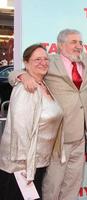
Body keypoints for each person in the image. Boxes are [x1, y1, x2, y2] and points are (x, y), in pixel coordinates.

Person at [9, 29, 87, 200]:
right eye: (74, 42)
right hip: (58, 138)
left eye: (81, 42)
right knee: (52, 185)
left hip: (80, 137)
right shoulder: (49, 61)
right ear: (60, 45)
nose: (79, 46)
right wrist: (22, 75)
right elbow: (15, 72)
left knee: (72, 185)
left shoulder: (85, 62)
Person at [0, 44, 64, 200]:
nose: (43, 62)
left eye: (45, 59)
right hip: (21, 166)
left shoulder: (43, 83)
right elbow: (19, 132)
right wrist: (26, 169)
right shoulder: (25, 88)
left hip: (38, 163)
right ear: (26, 63)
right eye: (37, 59)